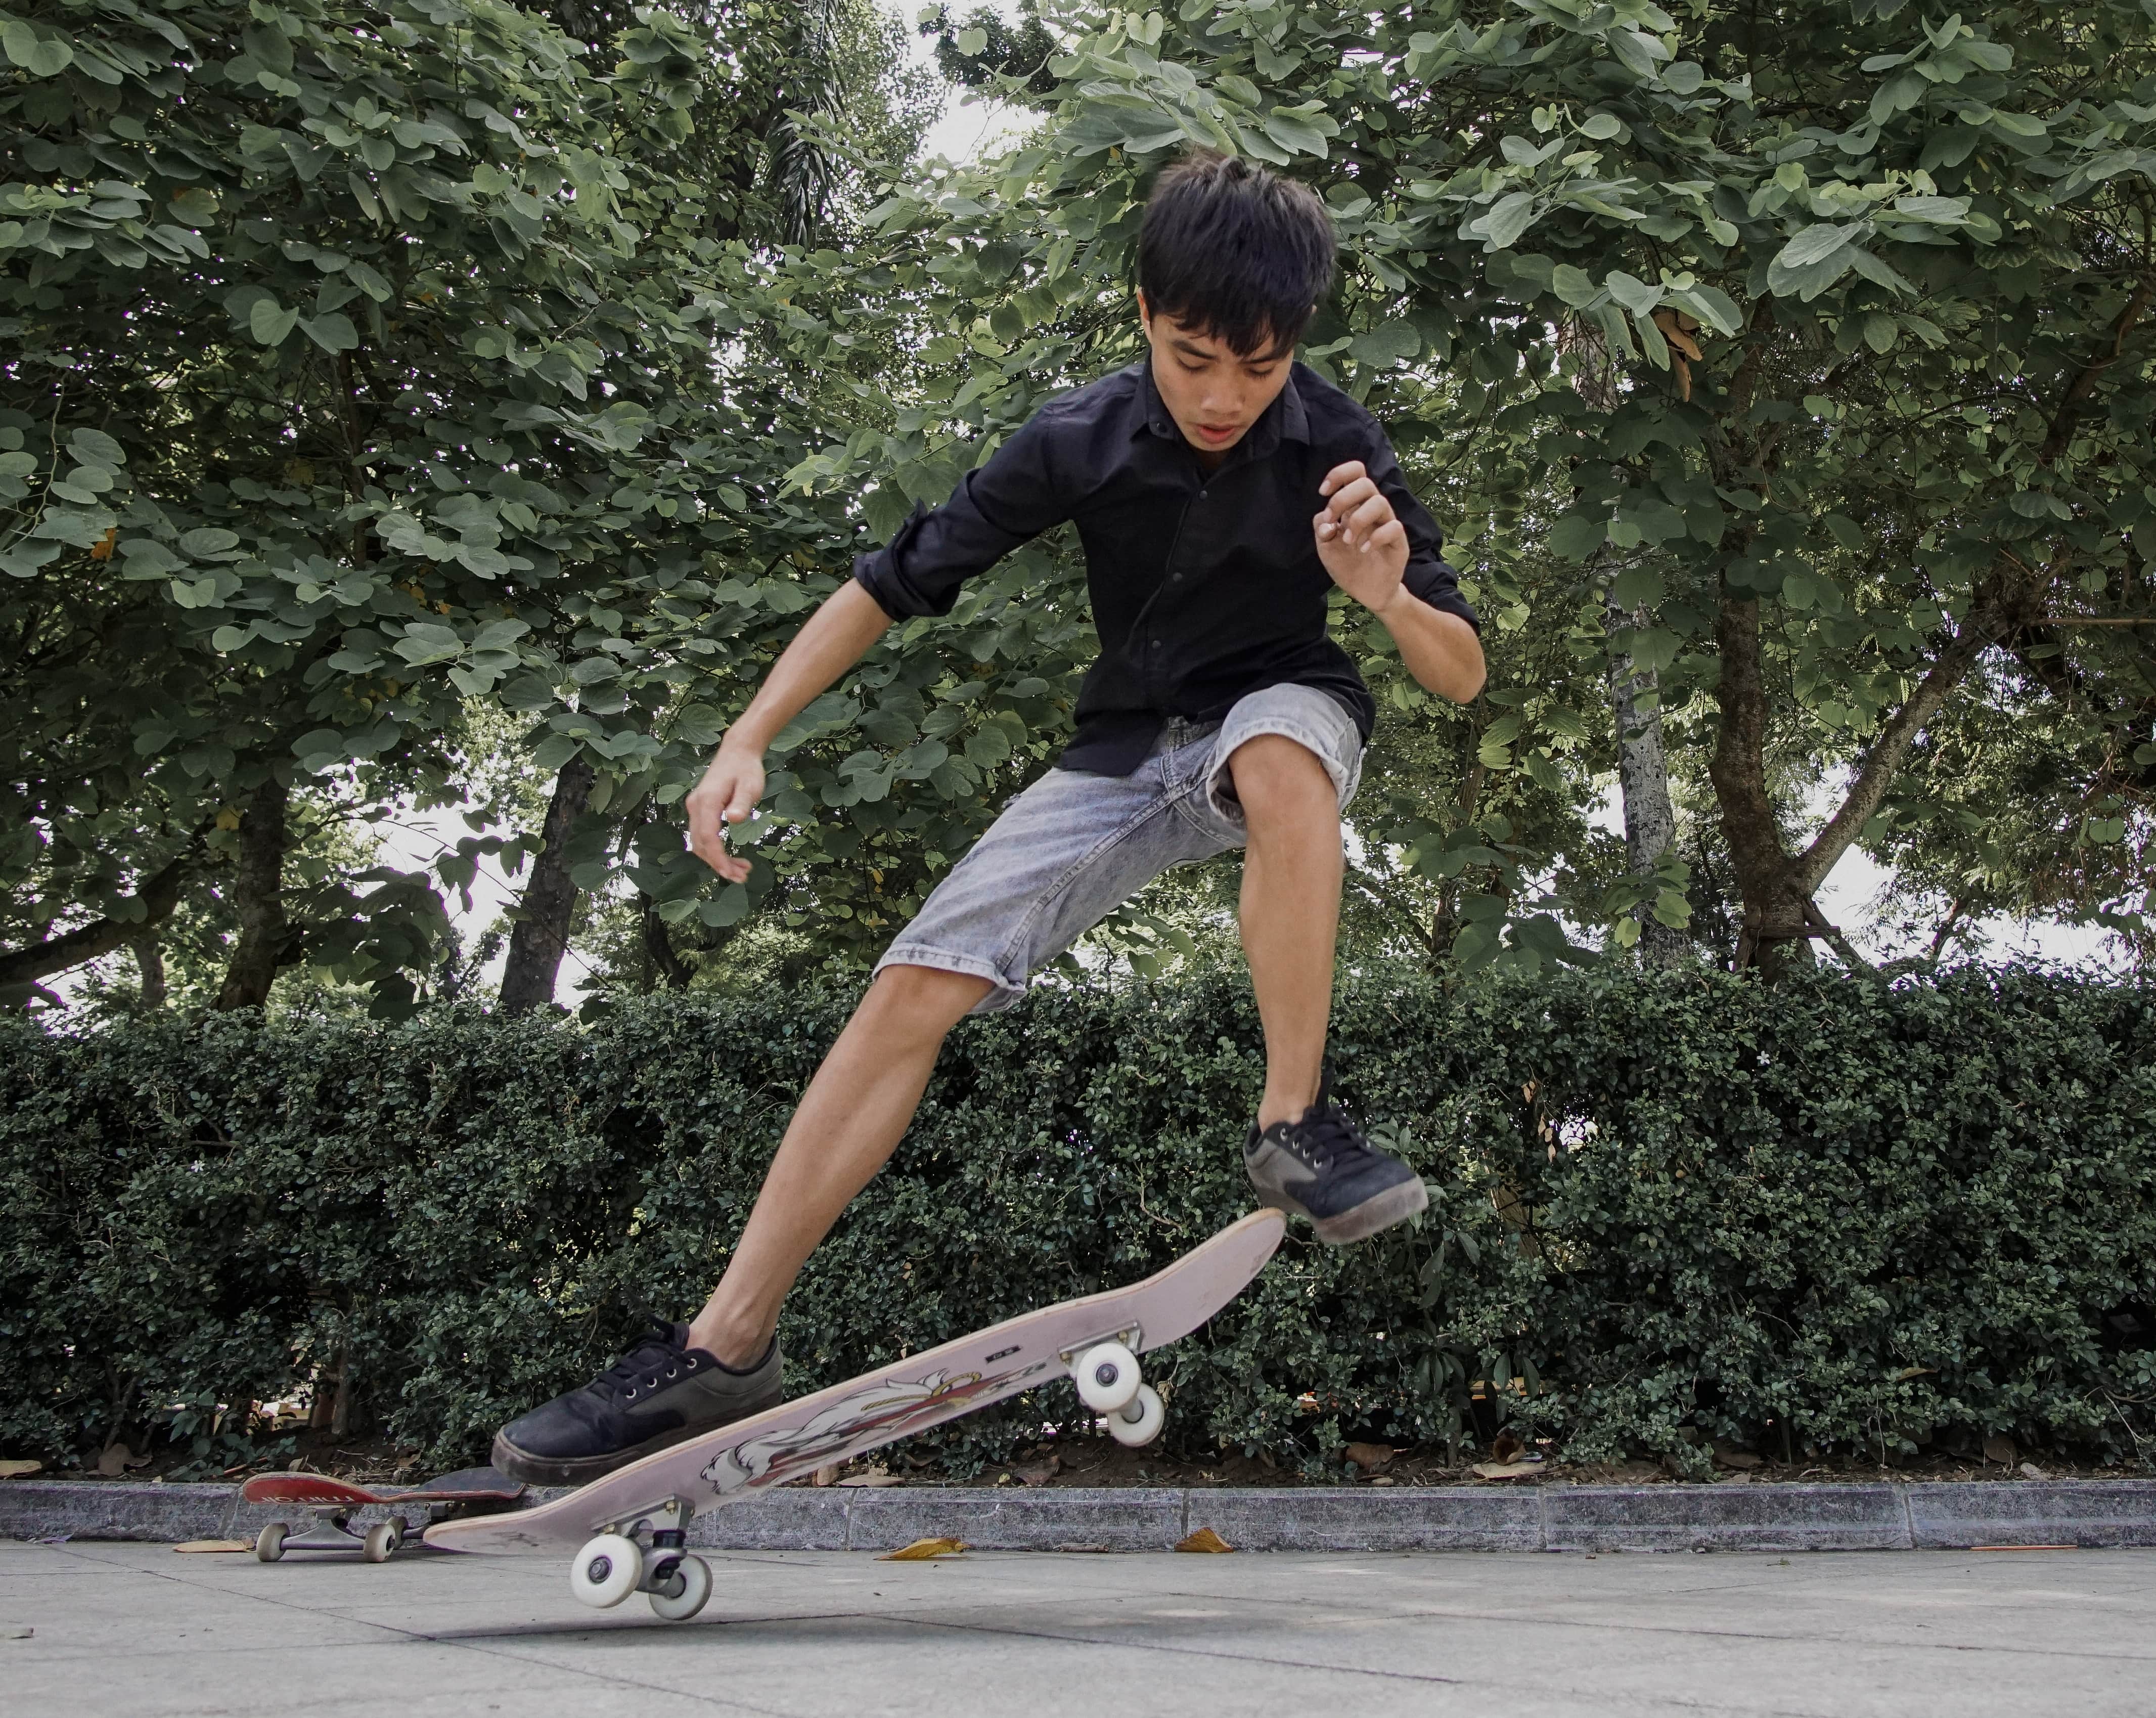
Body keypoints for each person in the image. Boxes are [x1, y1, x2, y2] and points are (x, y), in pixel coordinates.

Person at [488, 150, 1487, 1484]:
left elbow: (1459, 670)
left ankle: (1294, 1121)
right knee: (907, 990)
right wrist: (747, 737)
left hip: (1283, 704)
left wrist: (1385, 597)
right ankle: (724, 1347)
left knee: (1284, 765)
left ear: (1295, 347)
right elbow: (890, 585)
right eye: (1193, 359)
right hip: (1123, 753)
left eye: (1256, 370)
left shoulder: (1337, 445)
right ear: (1145, 312)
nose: (1222, 398)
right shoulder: (1075, 437)